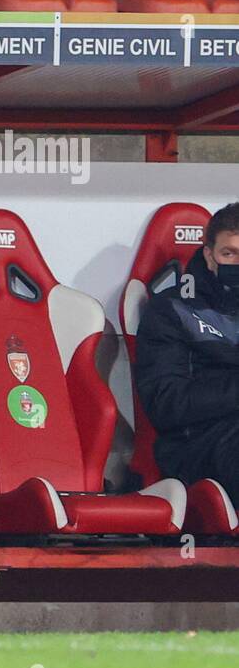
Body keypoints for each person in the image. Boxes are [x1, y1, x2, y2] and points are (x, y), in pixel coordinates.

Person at [136, 201, 239, 498]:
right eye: (229, 253)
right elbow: (166, 404)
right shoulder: (172, 309)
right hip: (196, 445)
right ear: (209, 255)